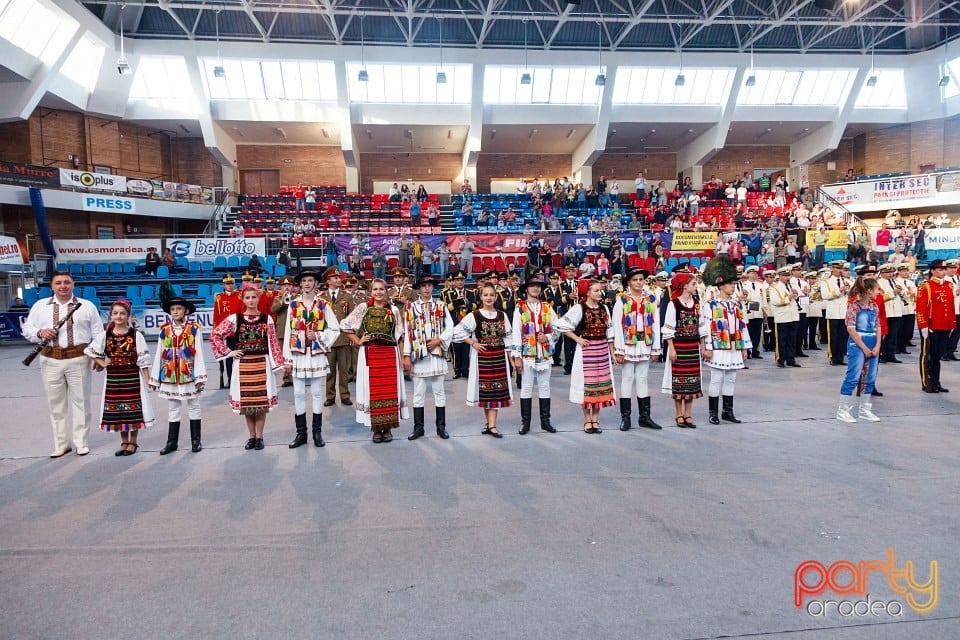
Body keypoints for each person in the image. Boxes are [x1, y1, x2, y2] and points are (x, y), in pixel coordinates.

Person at [22, 270, 105, 457]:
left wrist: (98, 356)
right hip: (50, 359)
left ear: (73, 284)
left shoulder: (87, 306)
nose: (62, 286)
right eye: (58, 283)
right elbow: (27, 329)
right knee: (56, 404)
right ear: (51, 286)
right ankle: (61, 444)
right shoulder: (40, 306)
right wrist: (40, 333)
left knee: (81, 402)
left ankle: (81, 443)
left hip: (79, 359)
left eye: (66, 282)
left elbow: (99, 334)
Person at [209, 282, 285, 450]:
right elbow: (215, 335)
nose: (251, 300)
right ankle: (251, 436)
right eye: (248, 297)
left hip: (261, 364)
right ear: (242, 299)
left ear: (259, 298)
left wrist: (279, 363)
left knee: (261, 404)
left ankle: (260, 437)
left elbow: (273, 342)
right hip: (243, 365)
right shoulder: (234, 318)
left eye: (254, 297)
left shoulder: (267, 319)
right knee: (248, 404)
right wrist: (229, 352)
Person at [340, 278, 409, 443]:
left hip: (390, 355)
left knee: (389, 390)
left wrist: (403, 357)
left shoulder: (393, 310)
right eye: (375, 289)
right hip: (371, 354)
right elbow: (345, 325)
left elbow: (400, 335)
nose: (378, 292)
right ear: (371, 291)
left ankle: (389, 428)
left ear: (386, 291)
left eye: (381, 289)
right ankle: (377, 429)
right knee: (373, 392)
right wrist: (357, 340)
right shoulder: (364, 308)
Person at [85, 299, 154, 456]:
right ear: (110, 316)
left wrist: (148, 378)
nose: (119, 316)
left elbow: (143, 359)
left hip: (132, 376)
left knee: (133, 409)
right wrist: (102, 363)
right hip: (114, 378)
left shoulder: (136, 335)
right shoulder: (105, 335)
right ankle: (123, 441)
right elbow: (90, 351)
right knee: (118, 410)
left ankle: (133, 441)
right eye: (115, 313)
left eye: (122, 313)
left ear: (128, 316)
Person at [283, 269, 341, 448]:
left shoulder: (323, 305)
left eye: (311, 281)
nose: (307, 284)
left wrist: (318, 336)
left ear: (316, 284)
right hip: (298, 354)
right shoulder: (293, 305)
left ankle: (317, 433)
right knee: (298, 393)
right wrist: (286, 358)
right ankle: (301, 433)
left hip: (316, 354)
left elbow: (335, 329)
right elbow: (287, 332)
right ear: (299, 285)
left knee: (317, 393)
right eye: (304, 281)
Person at [452, 283, 514, 438]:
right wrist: (473, 343)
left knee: (497, 391)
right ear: (480, 297)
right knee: (486, 391)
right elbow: (457, 331)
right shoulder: (475, 315)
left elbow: (508, 337)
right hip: (483, 358)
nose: (489, 298)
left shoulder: (502, 315)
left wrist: (512, 358)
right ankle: (491, 425)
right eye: (485, 295)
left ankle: (491, 425)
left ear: (496, 296)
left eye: (491, 295)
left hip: (499, 356)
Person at [555, 280, 616, 434]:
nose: (599, 293)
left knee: (600, 385)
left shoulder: (604, 308)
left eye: (599, 290)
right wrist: (578, 339)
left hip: (602, 350)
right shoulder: (579, 308)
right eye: (595, 290)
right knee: (587, 385)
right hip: (587, 350)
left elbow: (609, 332)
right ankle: (587, 420)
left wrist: (612, 352)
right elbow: (561, 325)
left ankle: (595, 420)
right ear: (587, 292)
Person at [150, 296, 206, 455]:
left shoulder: (194, 329)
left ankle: (196, 440)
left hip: (188, 373)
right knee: (173, 407)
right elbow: (159, 353)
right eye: (172, 309)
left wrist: (200, 376)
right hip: (170, 375)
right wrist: (155, 377)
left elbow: (199, 352)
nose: (175, 312)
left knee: (194, 405)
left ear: (185, 311)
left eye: (178, 309)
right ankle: (171, 442)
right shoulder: (164, 330)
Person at [699, 257, 751, 425]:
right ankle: (713, 412)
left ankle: (728, 411)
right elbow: (705, 326)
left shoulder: (737, 305)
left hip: (734, 345)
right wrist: (706, 347)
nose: (733, 286)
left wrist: (744, 347)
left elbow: (742, 326)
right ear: (720, 286)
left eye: (734, 284)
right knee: (716, 379)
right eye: (730, 284)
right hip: (718, 346)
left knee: (731, 378)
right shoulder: (711, 305)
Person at [402, 275, 454, 440]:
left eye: (429, 285)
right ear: (419, 288)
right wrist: (406, 355)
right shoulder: (411, 308)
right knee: (418, 393)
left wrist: (439, 340)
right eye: (423, 285)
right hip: (419, 356)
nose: (426, 288)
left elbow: (450, 326)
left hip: (436, 353)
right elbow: (407, 332)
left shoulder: (441, 305)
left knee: (439, 392)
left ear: (433, 287)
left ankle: (441, 427)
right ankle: (419, 428)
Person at [612, 266, 662, 431]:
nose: (639, 282)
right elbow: (617, 326)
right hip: (628, 344)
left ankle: (645, 416)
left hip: (644, 342)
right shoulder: (622, 300)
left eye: (641, 279)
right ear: (628, 282)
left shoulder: (651, 299)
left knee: (642, 378)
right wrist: (618, 349)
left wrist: (656, 347)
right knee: (627, 378)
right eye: (635, 280)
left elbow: (655, 323)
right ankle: (625, 417)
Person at [510, 271, 558, 435]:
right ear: (526, 289)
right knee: (526, 388)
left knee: (545, 387)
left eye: (538, 286)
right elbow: (516, 333)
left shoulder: (547, 307)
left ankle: (546, 421)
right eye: (532, 286)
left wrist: (548, 337)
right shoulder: (520, 309)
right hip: (527, 355)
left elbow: (557, 328)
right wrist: (516, 356)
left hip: (544, 353)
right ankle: (526, 423)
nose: (536, 288)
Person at [836, 276, 882, 422]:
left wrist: (877, 346)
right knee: (853, 377)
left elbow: (878, 326)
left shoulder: (874, 306)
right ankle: (843, 410)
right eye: (876, 289)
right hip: (858, 345)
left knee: (870, 378)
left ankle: (865, 409)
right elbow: (851, 329)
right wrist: (863, 348)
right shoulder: (854, 307)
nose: (878, 292)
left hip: (872, 343)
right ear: (868, 291)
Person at [917, 259, 957, 393]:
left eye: (944, 269)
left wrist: (952, 323)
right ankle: (926, 382)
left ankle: (936, 382)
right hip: (931, 326)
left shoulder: (949, 285)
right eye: (940, 269)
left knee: (938, 356)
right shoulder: (925, 286)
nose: (942, 272)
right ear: (933, 271)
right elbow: (921, 308)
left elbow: (950, 307)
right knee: (928, 355)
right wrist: (923, 326)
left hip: (944, 326)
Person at [319, 267, 356, 407]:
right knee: (329, 370)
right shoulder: (321, 297)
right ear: (328, 281)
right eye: (335, 278)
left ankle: (345, 395)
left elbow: (352, 318)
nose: (338, 279)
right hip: (328, 340)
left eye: (338, 277)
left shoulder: (347, 296)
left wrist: (352, 337)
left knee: (344, 370)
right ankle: (330, 396)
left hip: (343, 338)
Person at [441, 271, 476, 379]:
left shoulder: (470, 293)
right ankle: (457, 370)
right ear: (454, 281)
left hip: (466, 324)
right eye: (457, 280)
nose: (460, 282)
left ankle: (465, 370)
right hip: (455, 323)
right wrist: (457, 302)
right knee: (455, 348)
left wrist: (468, 303)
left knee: (466, 348)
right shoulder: (448, 294)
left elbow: (475, 307)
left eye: (461, 280)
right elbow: (444, 309)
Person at [769, 265, 801, 368]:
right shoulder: (774, 287)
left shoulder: (791, 286)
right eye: (785, 275)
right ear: (780, 276)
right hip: (782, 317)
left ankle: (791, 359)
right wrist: (789, 297)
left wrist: (797, 295)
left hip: (793, 316)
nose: (787, 278)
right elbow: (775, 301)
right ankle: (780, 359)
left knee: (792, 339)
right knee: (781, 339)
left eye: (789, 275)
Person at [821, 260, 851, 366]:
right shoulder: (826, 282)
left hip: (843, 312)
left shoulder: (846, 280)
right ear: (832, 269)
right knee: (833, 336)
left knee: (843, 336)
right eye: (838, 268)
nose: (840, 270)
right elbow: (825, 295)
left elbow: (853, 294)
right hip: (833, 312)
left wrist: (849, 290)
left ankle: (840, 357)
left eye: (841, 268)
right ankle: (833, 357)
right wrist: (839, 290)